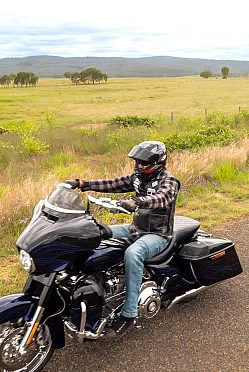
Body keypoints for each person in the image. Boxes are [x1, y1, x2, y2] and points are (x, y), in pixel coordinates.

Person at [66, 141, 180, 339]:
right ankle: (92, 284)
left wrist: (137, 201)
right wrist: (83, 184)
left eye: (143, 163)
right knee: (94, 232)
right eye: (137, 162)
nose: (138, 166)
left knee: (133, 253)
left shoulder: (169, 181)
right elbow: (113, 184)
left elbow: (161, 198)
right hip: (135, 229)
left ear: (156, 162)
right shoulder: (139, 178)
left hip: (158, 235)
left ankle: (129, 313)